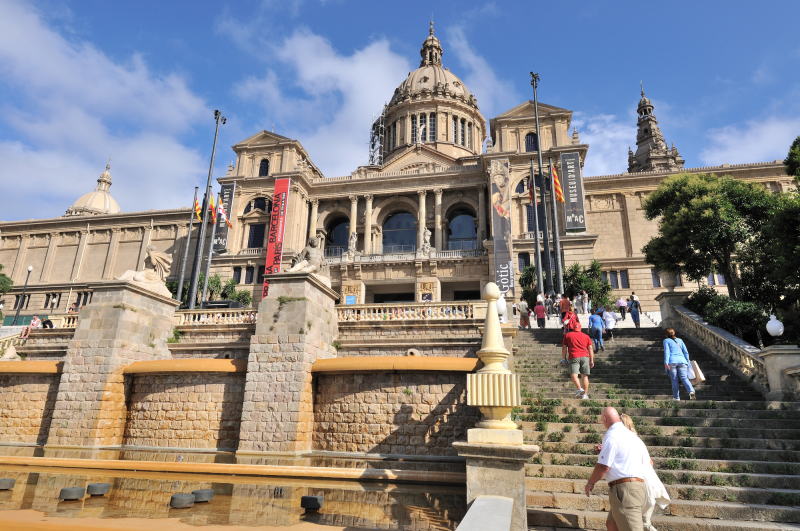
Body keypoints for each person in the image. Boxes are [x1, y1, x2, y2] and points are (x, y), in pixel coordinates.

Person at [598, 414, 670, 531]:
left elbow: (649, 462)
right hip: (624, 489)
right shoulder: (622, 439)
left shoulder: (631, 439)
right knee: (611, 524)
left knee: (640, 526)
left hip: (632, 488)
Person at [585, 407, 651, 531]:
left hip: (624, 490)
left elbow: (603, 466)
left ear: (604, 419)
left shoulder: (612, 436)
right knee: (612, 524)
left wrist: (590, 483)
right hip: (637, 487)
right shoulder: (633, 437)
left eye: (601, 419)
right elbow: (649, 462)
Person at [562, 321, 594, 399]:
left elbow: (564, 348)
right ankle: (585, 395)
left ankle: (579, 389)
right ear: (580, 328)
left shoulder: (568, 335)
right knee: (585, 376)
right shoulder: (586, 336)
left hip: (574, 356)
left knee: (574, 374)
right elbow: (590, 348)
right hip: (585, 357)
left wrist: (563, 358)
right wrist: (592, 360)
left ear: (573, 327)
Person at [663, 328, 696, 401]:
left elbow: (667, 352)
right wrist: (687, 361)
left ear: (666, 334)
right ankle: (691, 391)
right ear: (674, 333)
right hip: (682, 361)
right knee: (684, 378)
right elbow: (686, 352)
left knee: (674, 380)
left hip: (672, 362)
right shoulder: (680, 340)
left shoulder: (666, 341)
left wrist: (666, 363)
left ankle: (676, 397)